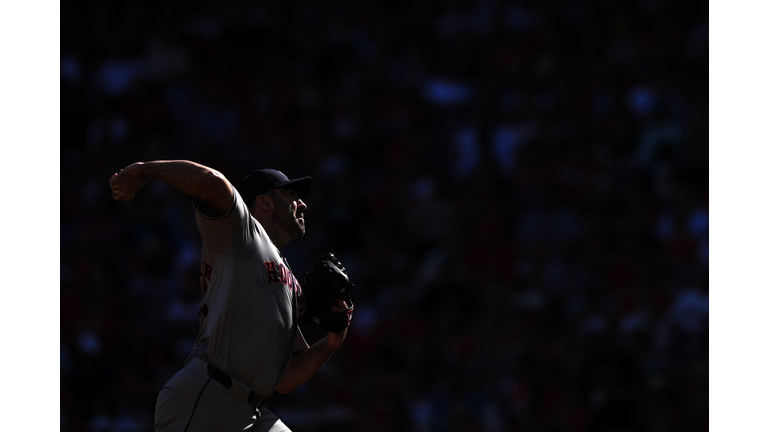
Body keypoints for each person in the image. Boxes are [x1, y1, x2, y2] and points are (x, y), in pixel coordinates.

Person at [109, 160, 351, 432]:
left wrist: (333, 340)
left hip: (252, 409)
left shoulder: (290, 282)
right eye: (292, 196)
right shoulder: (242, 233)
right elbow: (211, 182)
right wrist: (143, 170)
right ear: (264, 203)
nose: (303, 204)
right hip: (209, 395)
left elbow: (286, 379)